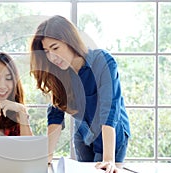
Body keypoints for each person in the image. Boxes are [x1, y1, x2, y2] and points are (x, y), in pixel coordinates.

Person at [29, 15, 130, 173]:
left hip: (111, 135)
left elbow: (108, 111)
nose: (51, 57)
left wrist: (109, 159)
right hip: (83, 135)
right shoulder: (59, 73)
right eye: (47, 51)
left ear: (71, 42)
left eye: (55, 48)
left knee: (105, 169)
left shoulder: (102, 61)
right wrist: (46, 157)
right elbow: (56, 114)